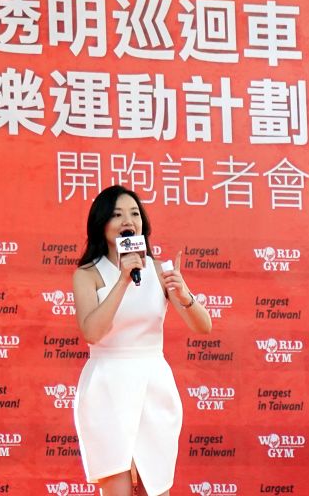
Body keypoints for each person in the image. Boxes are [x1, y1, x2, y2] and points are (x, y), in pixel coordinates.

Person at [71, 185, 212, 496]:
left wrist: (184, 295)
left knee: (156, 485)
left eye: (134, 214)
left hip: (153, 385)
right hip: (106, 386)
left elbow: (203, 326)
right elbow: (92, 332)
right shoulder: (87, 274)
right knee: (117, 486)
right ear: (102, 223)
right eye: (117, 214)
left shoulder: (160, 271)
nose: (127, 221)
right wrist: (123, 280)